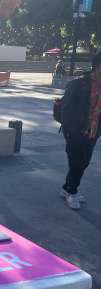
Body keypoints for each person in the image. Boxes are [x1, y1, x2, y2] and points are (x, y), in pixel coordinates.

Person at [61, 51, 101, 209]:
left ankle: (65, 188)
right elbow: (66, 107)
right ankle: (72, 192)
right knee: (76, 163)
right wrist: (69, 130)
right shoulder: (81, 83)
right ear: (98, 66)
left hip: (93, 132)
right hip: (76, 131)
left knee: (84, 163)